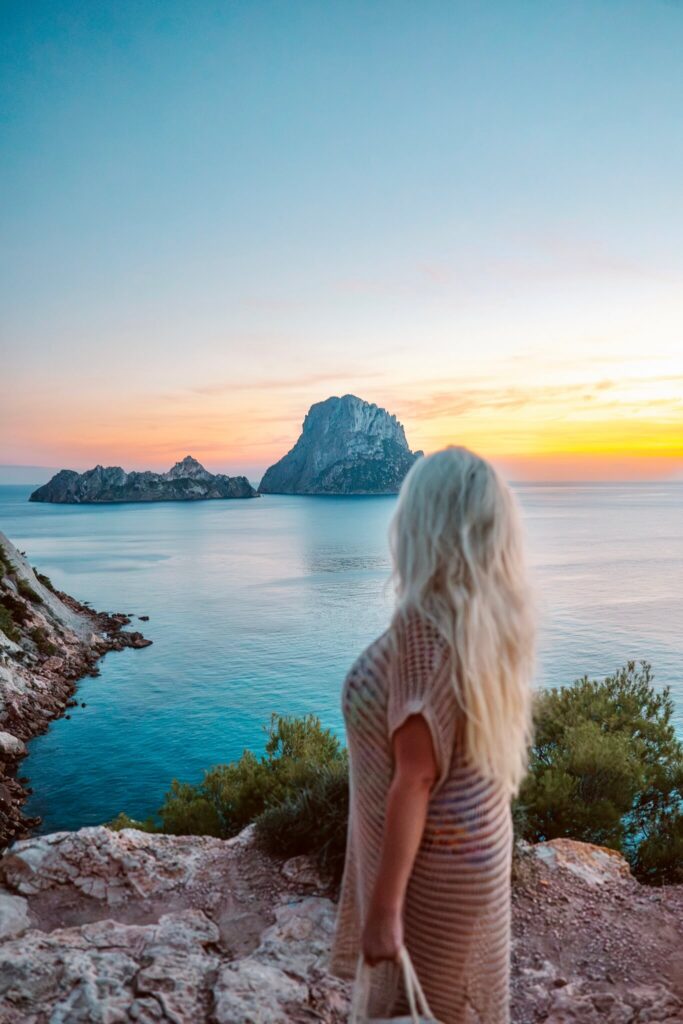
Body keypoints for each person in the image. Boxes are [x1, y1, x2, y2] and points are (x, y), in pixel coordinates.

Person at [330, 446, 536, 1023]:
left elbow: (416, 777)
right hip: (480, 848)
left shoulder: (425, 629)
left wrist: (384, 911)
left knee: (423, 1011)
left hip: (434, 871)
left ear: (422, 524)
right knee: (455, 1011)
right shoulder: (488, 619)